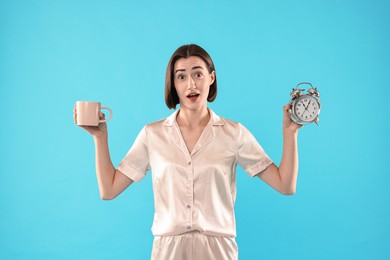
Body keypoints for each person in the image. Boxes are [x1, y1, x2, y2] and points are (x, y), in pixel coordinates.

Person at [74, 44, 302, 260]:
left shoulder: (234, 133)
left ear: (211, 77)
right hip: (168, 249)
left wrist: (290, 133)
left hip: (218, 249)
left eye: (198, 74)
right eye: (181, 76)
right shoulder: (153, 134)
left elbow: (285, 185)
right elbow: (109, 189)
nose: (191, 85)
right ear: (173, 84)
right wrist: (100, 137)